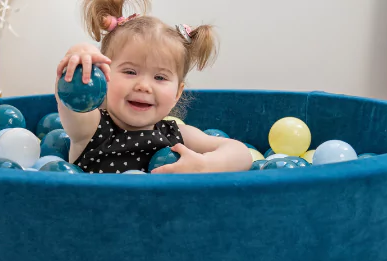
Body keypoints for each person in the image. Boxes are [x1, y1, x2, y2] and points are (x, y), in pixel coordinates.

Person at [56, 0, 252, 174]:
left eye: (160, 77)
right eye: (130, 72)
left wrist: (204, 164)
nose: (143, 86)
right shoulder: (90, 128)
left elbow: (241, 153)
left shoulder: (177, 136)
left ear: (177, 93)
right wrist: (80, 56)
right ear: (104, 76)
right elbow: (69, 97)